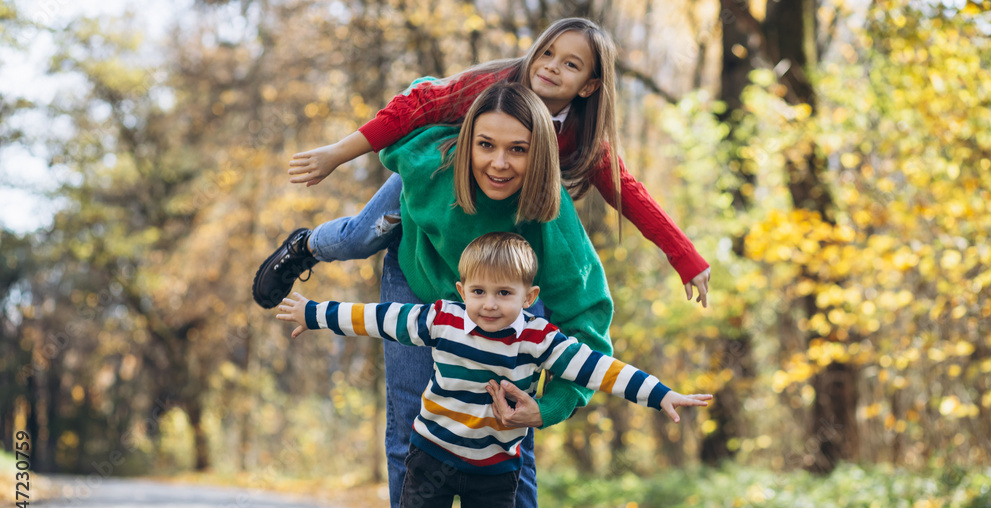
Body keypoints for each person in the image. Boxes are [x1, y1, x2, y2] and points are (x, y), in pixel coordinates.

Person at [275, 231, 712, 508]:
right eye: (479, 291)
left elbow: (596, 368)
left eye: (504, 293)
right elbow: (376, 319)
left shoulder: (538, 337)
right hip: (434, 456)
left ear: (528, 295)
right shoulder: (442, 319)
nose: (489, 304)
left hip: (496, 466)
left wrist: (661, 394)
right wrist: (313, 313)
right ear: (462, 289)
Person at [253, 17, 711, 311]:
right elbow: (415, 107)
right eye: (547, 52)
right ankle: (305, 246)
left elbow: (627, 191)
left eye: (570, 65)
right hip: (436, 174)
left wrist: (685, 257)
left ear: (589, 86)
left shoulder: (581, 137)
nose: (551, 67)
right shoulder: (490, 86)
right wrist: (336, 153)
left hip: (486, 207)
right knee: (360, 237)